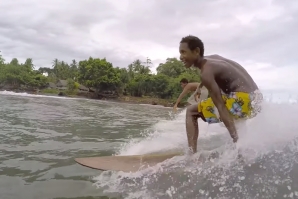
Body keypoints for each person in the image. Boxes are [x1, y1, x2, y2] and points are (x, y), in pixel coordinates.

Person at [179, 35, 263, 153]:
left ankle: (191, 155)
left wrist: (237, 143)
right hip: (256, 99)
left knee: (191, 111)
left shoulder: (206, 72)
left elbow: (220, 106)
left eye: (183, 52)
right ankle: (242, 138)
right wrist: (201, 85)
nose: (181, 57)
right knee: (227, 102)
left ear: (196, 51)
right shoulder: (213, 59)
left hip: (242, 101)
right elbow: (220, 73)